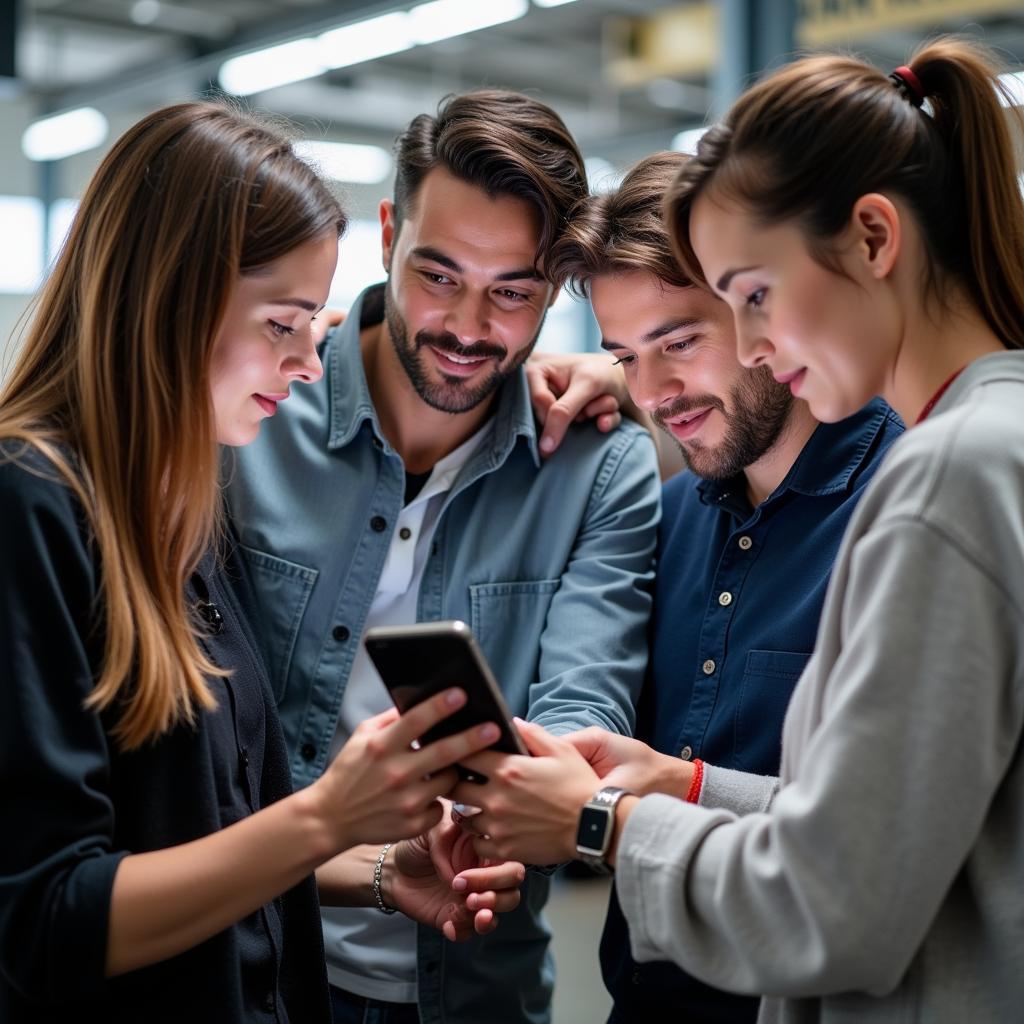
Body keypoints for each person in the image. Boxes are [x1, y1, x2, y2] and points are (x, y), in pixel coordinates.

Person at [454, 37, 1024, 1022]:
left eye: (747, 299)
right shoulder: (988, 438)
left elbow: (831, 899)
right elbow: (883, 834)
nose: (753, 343)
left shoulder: (941, 476)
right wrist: (684, 783)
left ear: (874, 240)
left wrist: (601, 824)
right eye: (626, 355)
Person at [0, 100, 523, 1024]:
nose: (309, 364)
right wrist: (325, 814)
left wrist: (374, 871)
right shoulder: (30, 508)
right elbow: (45, 918)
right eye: (283, 325)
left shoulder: (177, 508)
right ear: (176, 299)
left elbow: (206, 835)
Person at [225, 89, 661, 1024]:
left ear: (554, 292)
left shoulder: (596, 466)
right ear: (389, 233)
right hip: (251, 968)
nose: (467, 327)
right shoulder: (254, 418)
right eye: (438, 275)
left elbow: (587, 701)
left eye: (513, 293)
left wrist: (518, 804)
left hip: (473, 987)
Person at [517, 151, 901, 1023]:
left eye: (680, 341)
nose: (654, 393)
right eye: (623, 354)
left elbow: (887, 848)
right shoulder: (672, 513)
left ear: (764, 310)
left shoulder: (906, 503)